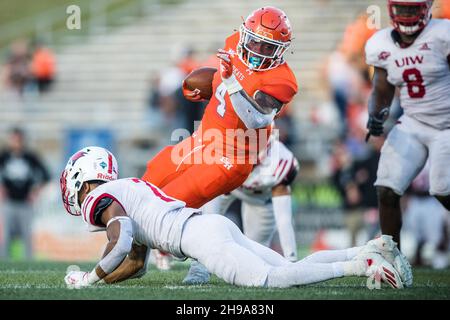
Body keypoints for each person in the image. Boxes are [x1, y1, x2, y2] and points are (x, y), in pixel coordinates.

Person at [61, 146, 409, 289]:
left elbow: (120, 239)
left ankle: (360, 266)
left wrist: (86, 279)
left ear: (84, 177)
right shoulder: (126, 189)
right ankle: (371, 247)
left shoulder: (99, 196)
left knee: (272, 280)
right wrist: (99, 280)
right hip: (210, 225)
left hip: (200, 238)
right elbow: (136, 262)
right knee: (289, 267)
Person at [141, 7, 298, 209]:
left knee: (166, 205)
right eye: (254, 41)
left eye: (267, 47)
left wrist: (230, 82)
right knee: (148, 181)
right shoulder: (234, 43)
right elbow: (221, 80)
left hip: (230, 159)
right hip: (202, 139)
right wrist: (209, 88)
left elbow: (256, 119)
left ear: (280, 49)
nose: (257, 50)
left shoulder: (281, 81)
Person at [365, 0, 450, 248]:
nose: (407, 14)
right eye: (402, 8)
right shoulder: (379, 43)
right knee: (386, 188)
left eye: (412, 8)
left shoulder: (442, 34)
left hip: (446, 124)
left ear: (425, 8)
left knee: (443, 191)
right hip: (413, 122)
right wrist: (376, 114)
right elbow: (381, 89)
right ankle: (393, 257)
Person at [183, 135, 299, 284]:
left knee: (255, 252)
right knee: (207, 218)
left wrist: (292, 259)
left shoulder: (280, 161)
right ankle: (200, 267)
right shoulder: (225, 147)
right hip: (228, 187)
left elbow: (283, 219)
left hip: (260, 200)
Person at [0, 127, 50, 259]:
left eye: (19, 139)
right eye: (14, 139)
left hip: (25, 203)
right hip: (8, 202)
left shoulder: (30, 157)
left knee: (27, 235)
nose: (16, 142)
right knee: (6, 235)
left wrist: (36, 191)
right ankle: (4, 263)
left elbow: (46, 175)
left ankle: (28, 263)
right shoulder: (4, 156)